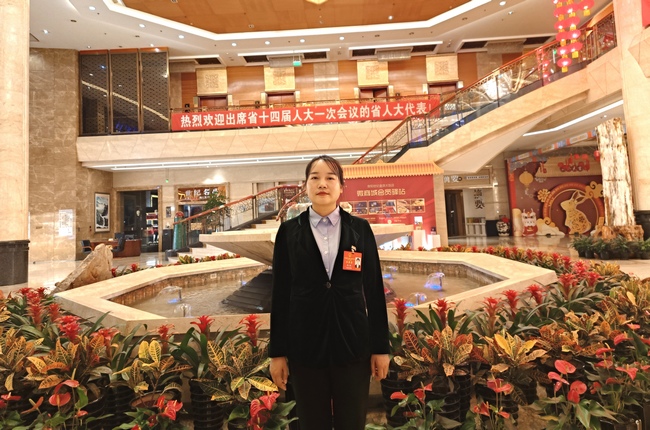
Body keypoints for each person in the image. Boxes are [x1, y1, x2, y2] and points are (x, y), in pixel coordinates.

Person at [269, 155, 390, 430]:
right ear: (306, 185)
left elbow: (373, 290)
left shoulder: (359, 229)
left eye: (330, 178)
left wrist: (380, 348)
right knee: (310, 422)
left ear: (341, 186)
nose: (322, 183)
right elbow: (280, 294)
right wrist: (277, 353)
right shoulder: (289, 232)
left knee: (352, 422)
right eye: (315, 177)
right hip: (305, 347)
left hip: (353, 344)